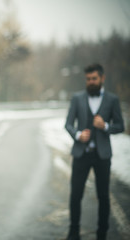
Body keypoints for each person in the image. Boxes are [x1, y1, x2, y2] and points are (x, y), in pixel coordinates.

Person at [65, 63, 124, 240]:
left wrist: (105, 126)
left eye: (94, 79)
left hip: (102, 156)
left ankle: (102, 233)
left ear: (102, 78)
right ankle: (74, 232)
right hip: (80, 154)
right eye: (88, 79)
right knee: (75, 195)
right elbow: (68, 124)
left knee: (103, 196)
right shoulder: (77, 98)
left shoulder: (112, 100)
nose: (90, 82)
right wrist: (77, 135)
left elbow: (121, 126)